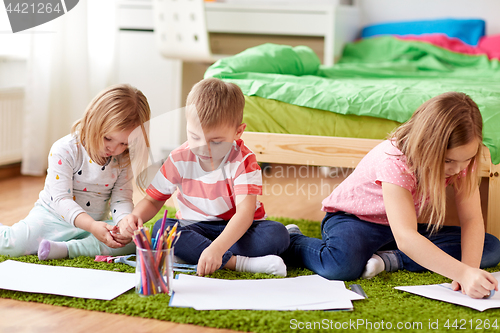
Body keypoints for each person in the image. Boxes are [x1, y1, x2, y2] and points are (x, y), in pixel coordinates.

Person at [282, 92, 500, 299]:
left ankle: (389, 259)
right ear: (427, 146)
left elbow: (471, 220)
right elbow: (406, 237)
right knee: (340, 265)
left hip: (400, 228)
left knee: (490, 248)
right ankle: (293, 240)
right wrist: (462, 272)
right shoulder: (395, 161)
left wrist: (469, 270)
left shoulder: (462, 162)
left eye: (467, 159)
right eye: (448, 161)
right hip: (355, 221)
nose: (457, 169)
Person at [119, 78, 290, 277]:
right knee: (161, 228)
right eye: (194, 136)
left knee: (277, 235)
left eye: (216, 142)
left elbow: (245, 213)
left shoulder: (243, 160)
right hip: (196, 227)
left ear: (238, 132)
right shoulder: (178, 159)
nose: (203, 148)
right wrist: (134, 217)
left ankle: (194, 253)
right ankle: (239, 263)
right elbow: (152, 200)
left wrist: (217, 249)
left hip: (238, 229)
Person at [0, 84, 151, 260]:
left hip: (96, 225)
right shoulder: (65, 149)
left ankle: (66, 249)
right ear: (93, 120)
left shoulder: (123, 159)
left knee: (138, 241)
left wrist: (124, 222)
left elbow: (121, 199)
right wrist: (92, 226)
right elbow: (61, 199)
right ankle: (68, 246)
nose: (114, 148)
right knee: (12, 245)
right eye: (108, 138)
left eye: (124, 143)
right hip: (52, 219)